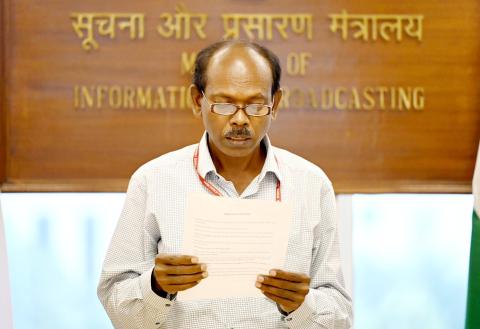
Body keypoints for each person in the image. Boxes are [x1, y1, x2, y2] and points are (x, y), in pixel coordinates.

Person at [97, 40, 353, 329]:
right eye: (224, 104)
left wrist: (302, 305)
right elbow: (116, 303)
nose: (240, 119)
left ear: (275, 104)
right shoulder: (153, 181)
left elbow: (341, 315)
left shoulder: (311, 185)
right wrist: (156, 286)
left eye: (256, 105)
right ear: (197, 101)